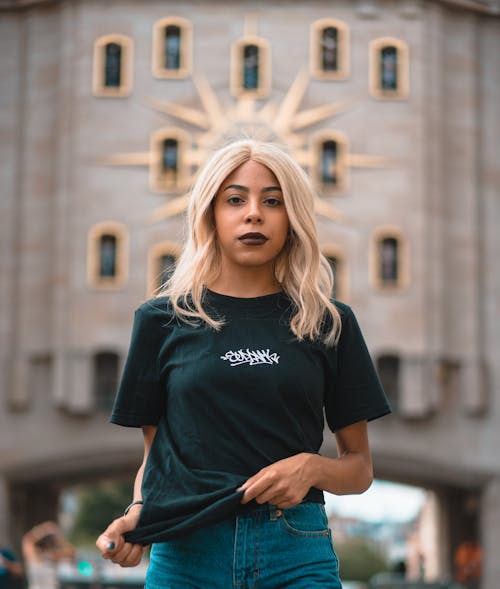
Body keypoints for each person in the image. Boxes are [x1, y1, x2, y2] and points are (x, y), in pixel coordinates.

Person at [96, 139, 391, 588]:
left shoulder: (329, 322)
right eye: (235, 199)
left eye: (272, 201)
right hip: (187, 551)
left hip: (296, 549)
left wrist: (311, 467)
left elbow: (359, 469)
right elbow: (157, 458)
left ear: (292, 218)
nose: (254, 213)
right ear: (211, 213)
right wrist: (138, 514)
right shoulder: (160, 320)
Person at [22, 521, 75, 589]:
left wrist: (42, 530)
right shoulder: (53, 557)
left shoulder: (33, 558)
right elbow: (72, 552)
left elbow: (27, 541)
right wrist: (57, 534)